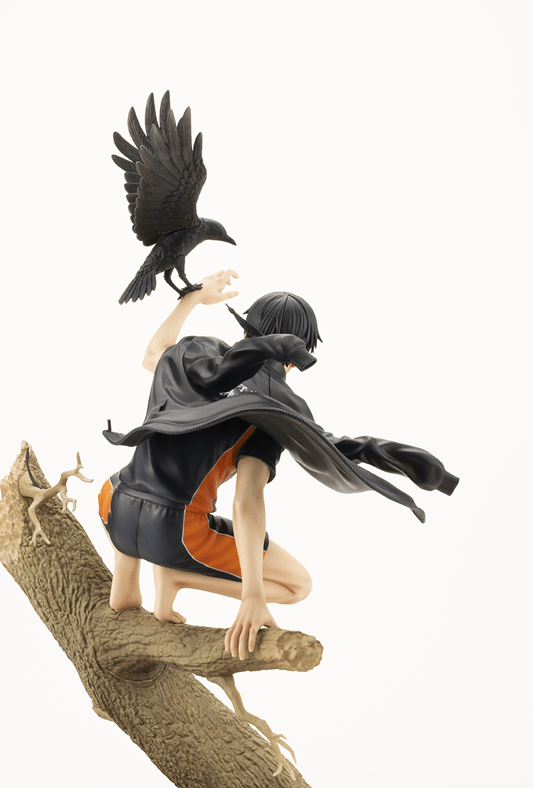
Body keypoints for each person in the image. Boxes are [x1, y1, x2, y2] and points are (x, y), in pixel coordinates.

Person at [99, 270, 458, 661]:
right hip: (174, 532)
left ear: (245, 329)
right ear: (295, 359)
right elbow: (246, 502)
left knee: (127, 586)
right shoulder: (274, 409)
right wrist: (252, 595)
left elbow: (153, 353)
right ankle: (176, 576)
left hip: (113, 501)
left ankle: (131, 585)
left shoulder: (195, 350)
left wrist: (195, 298)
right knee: (297, 586)